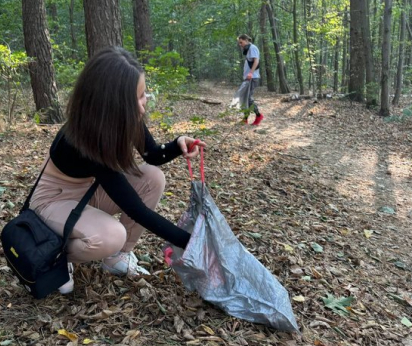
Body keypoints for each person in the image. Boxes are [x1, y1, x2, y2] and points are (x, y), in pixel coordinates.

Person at [30, 46, 206, 294]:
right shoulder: (86, 139)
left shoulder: (120, 118)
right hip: (54, 199)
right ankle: (55, 254)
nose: (144, 104)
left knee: (152, 177)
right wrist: (193, 243)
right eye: (138, 97)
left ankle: (117, 258)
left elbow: (152, 155)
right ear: (113, 104)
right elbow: (136, 209)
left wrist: (178, 145)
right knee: (111, 236)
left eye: (144, 94)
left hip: (88, 191)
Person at [236, 34, 264, 125]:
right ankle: (245, 119)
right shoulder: (248, 49)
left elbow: (256, 61)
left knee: (248, 98)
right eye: (239, 43)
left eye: (241, 42)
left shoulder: (253, 48)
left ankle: (258, 115)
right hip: (248, 77)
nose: (240, 44)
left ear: (246, 40)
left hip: (252, 77)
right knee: (245, 98)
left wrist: (251, 73)